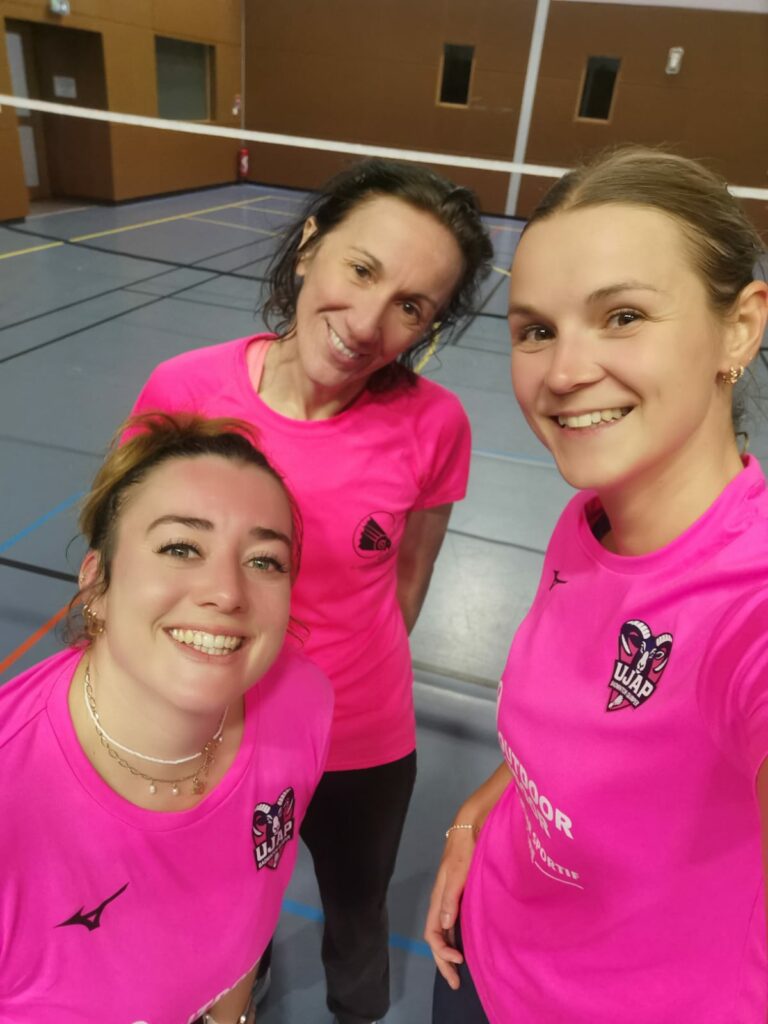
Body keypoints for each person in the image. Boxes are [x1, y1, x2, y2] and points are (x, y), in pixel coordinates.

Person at [130, 157, 493, 1024]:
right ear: (309, 246)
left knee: (357, 912)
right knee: (227, 900)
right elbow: (141, 558)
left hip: (362, 741)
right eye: (361, 269)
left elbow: (409, 576)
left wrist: (340, 679)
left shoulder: (436, 425)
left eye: (411, 306)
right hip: (214, 732)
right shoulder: (183, 391)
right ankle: (237, 990)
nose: (367, 324)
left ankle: (355, 1012)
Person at [425, 146, 768, 1023]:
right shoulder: (591, 521)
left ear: (740, 327)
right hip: (480, 954)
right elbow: (567, 743)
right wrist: (475, 817)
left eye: (622, 316)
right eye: (536, 330)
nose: (564, 372)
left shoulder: (750, 603)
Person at [0, 412, 333, 1024]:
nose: (227, 593)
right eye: (181, 548)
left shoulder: (302, 702)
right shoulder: (11, 797)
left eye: (265, 561)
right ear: (97, 583)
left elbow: (250, 906)